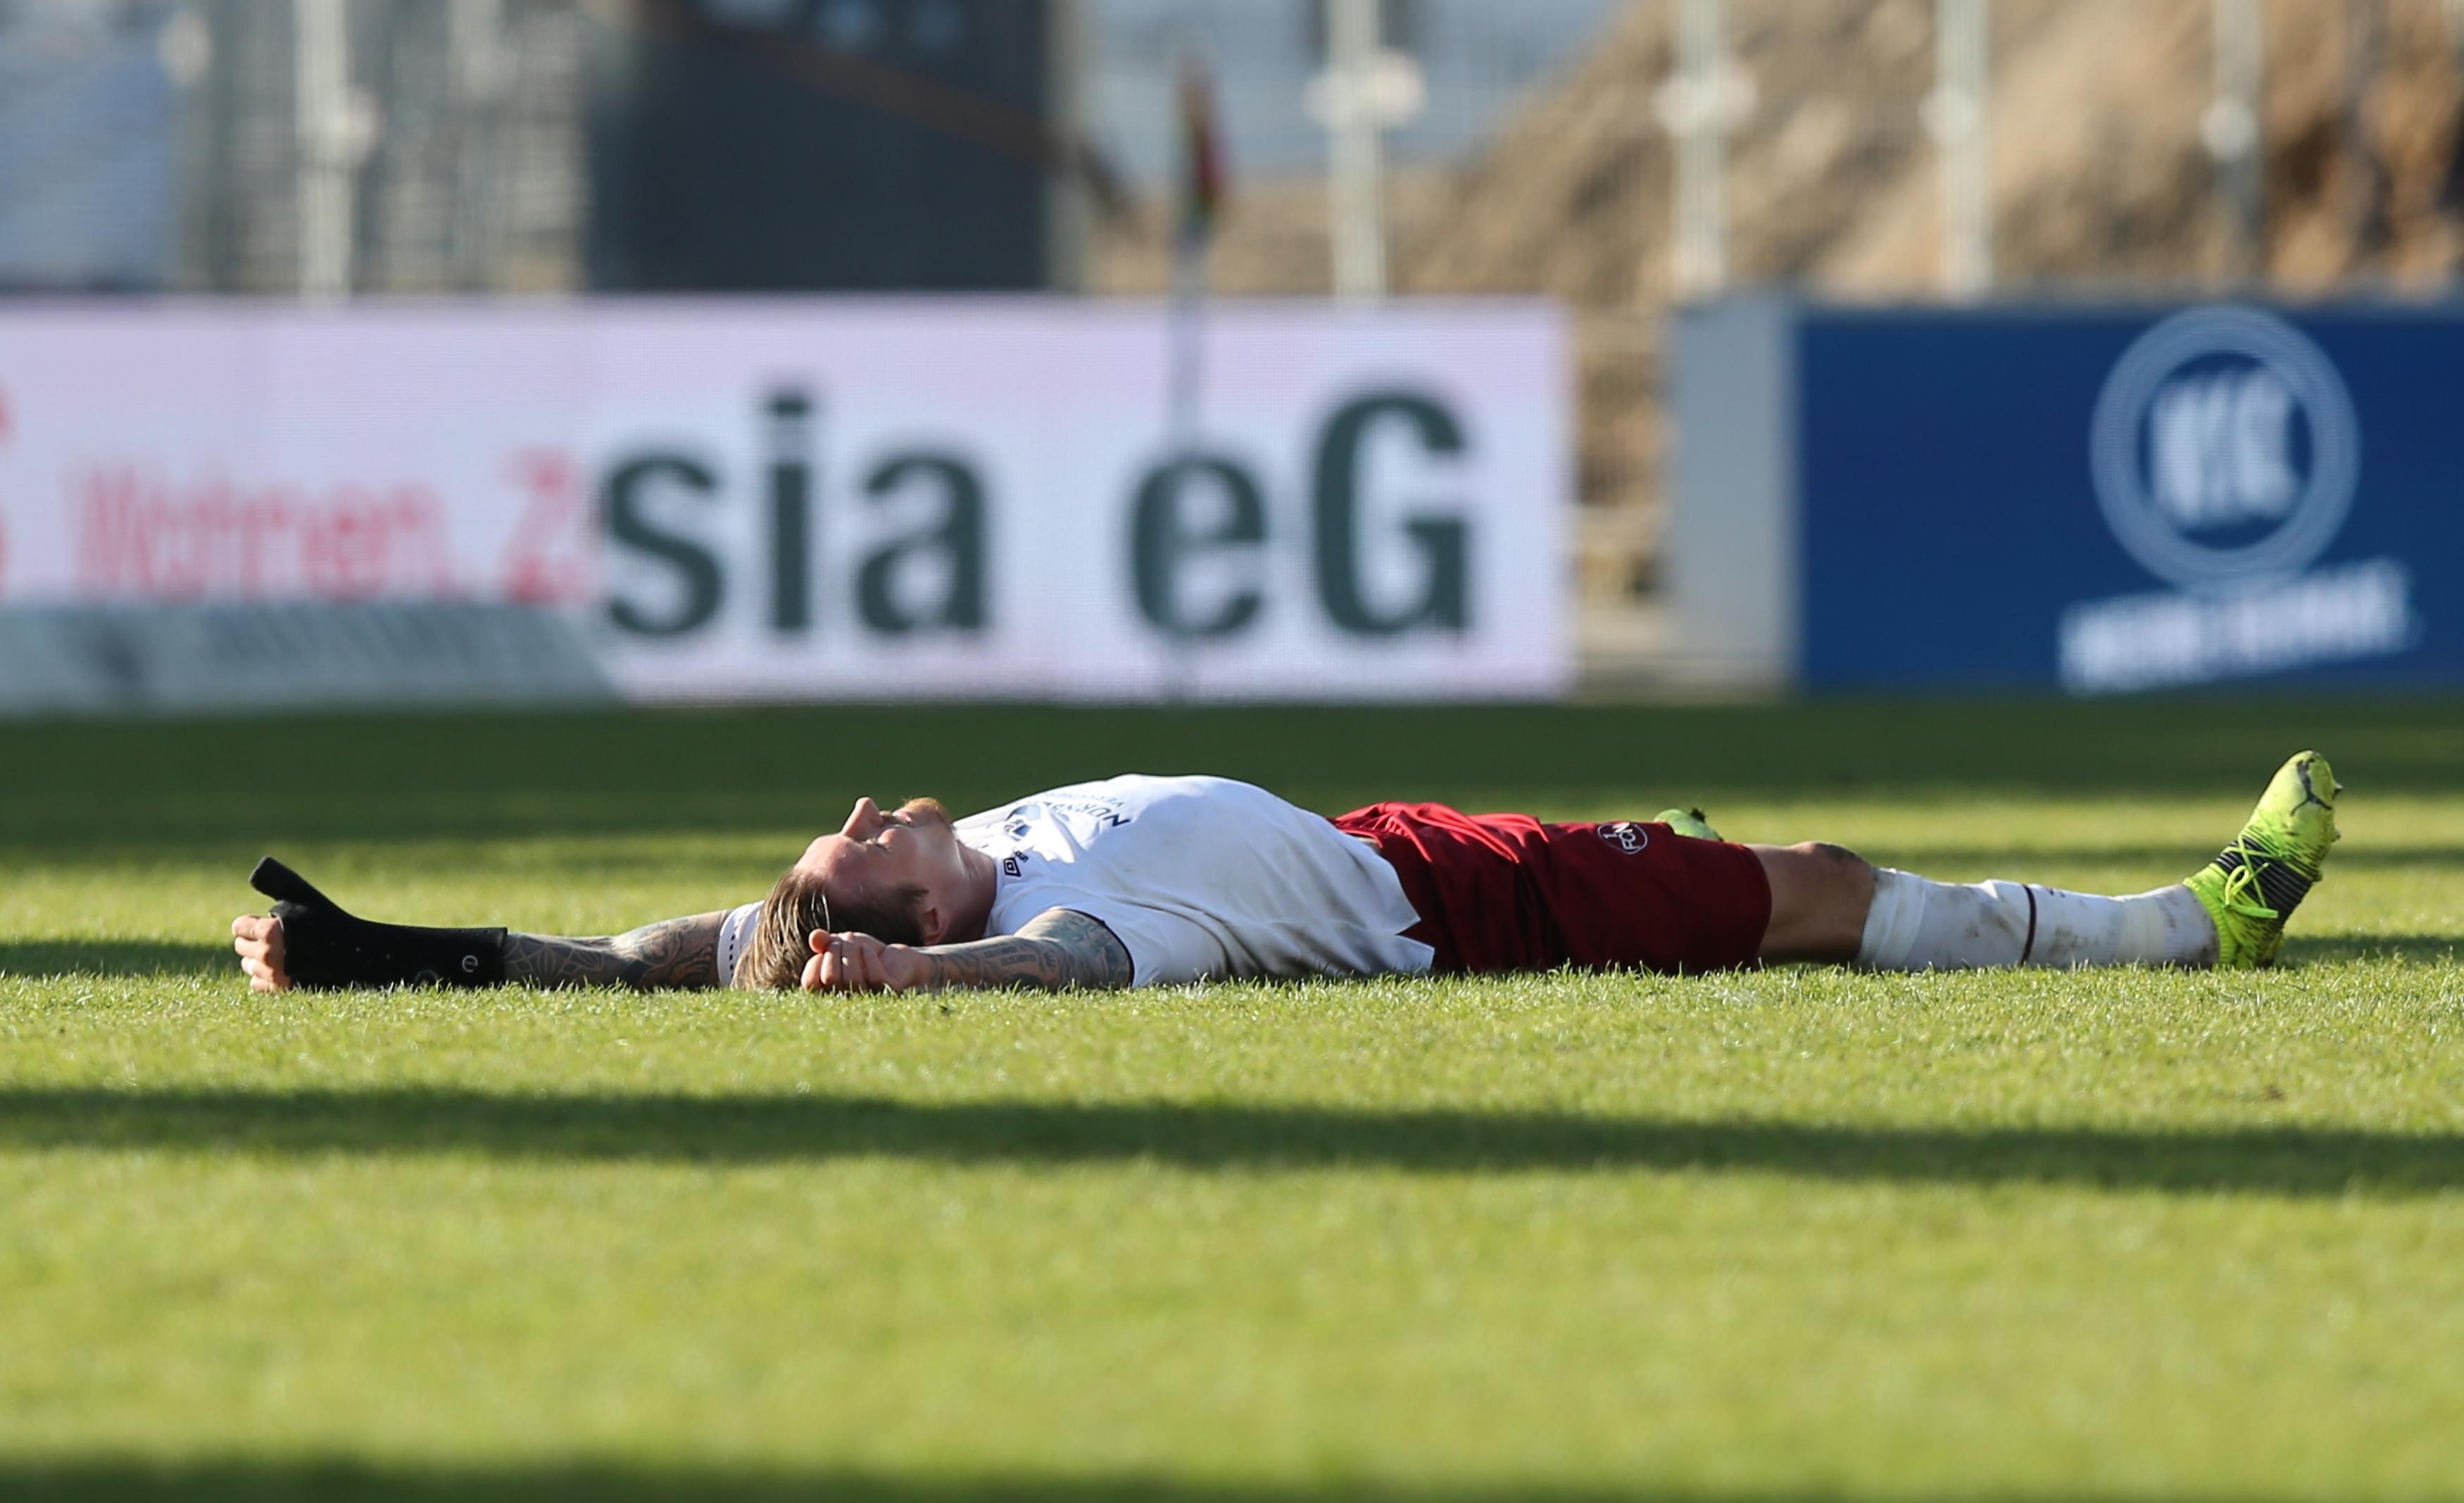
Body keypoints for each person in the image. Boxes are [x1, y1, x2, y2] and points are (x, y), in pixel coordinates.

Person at [230, 753, 2341, 996]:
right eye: (862, 844)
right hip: (1459, 907)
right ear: (917, 910)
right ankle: (2188, 928)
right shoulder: (1072, 920)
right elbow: (1061, 978)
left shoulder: (990, 864)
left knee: (1754, 862)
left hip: (1402, 841)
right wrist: (908, 999)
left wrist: (365, 950)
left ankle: (2168, 924)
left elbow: (628, 953)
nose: (876, 811)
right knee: (1803, 882)